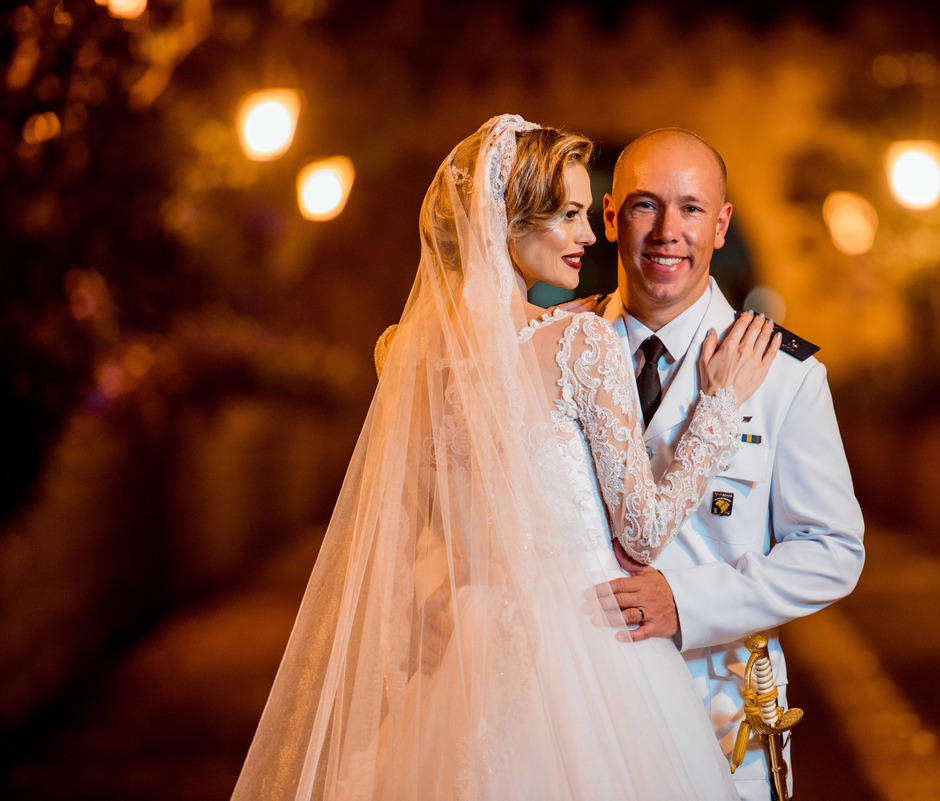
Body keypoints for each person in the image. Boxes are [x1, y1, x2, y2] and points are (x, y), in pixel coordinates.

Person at [230, 115, 782, 801]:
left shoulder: (406, 353)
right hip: (588, 649)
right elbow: (642, 532)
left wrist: (438, 592)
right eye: (570, 214)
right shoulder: (580, 343)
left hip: (468, 652)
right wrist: (721, 404)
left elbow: (417, 524)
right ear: (508, 220)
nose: (590, 235)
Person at [590, 128, 867, 801]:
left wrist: (688, 602)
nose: (668, 232)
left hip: (717, 718)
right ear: (610, 217)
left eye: (691, 209)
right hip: (582, 714)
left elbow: (833, 549)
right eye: (645, 205)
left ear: (721, 225)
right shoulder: (558, 352)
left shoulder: (786, 376)